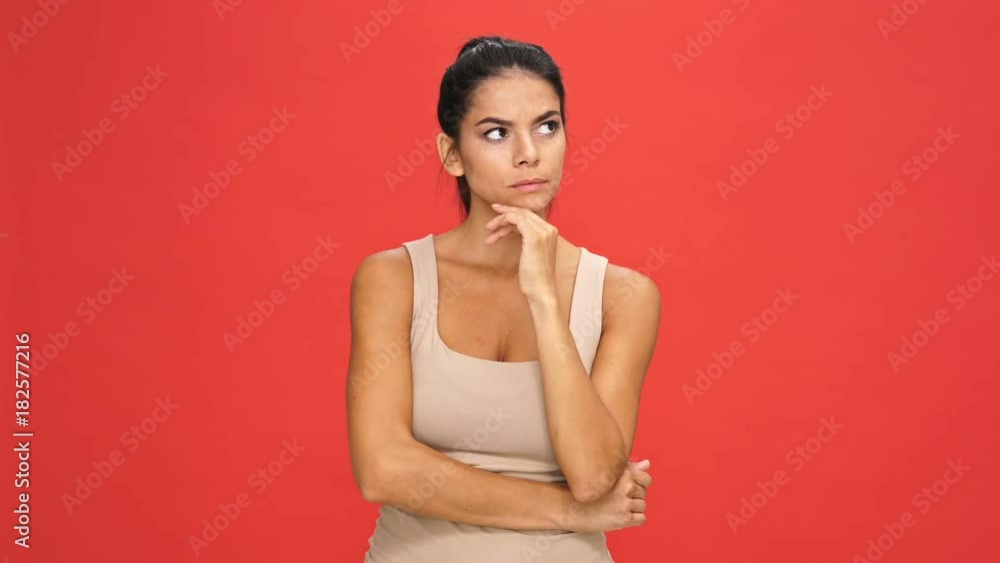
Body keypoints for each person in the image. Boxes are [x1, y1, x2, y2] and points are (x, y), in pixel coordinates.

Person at [347, 35, 661, 563]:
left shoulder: (623, 295)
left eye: (547, 126)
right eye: (496, 133)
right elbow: (384, 470)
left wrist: (543, 299)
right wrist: (570, 514)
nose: (529, 154)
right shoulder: (392, 279)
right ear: (452, 154)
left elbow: (594, 476)